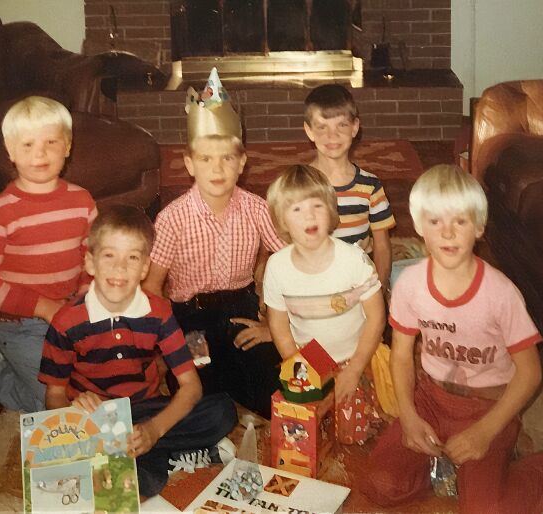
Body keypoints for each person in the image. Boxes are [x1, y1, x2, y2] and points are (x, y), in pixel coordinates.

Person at [361, 165, 543, 513]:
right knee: (380, 483)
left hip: (488, 406)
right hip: (431, 396)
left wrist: (485, 432)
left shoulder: (501, 294)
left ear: (478, 227)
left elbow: (530, 373)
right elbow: (401, 357)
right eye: (435, 221)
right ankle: (445, 469)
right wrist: (409, 415)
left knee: (484, 508)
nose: (447, 233)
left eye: (459, 221)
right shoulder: (410, 284)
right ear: (418, 227)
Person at [39, 205, 237, 498]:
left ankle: (143, 453)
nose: (120, 268)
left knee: (222, 411)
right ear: (90, 263)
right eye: (109, 255)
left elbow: (190, 387)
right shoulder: (66, 322)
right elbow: (53, 397)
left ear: (145, 268)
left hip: (144, 410)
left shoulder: (159, 312)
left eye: (132, 258)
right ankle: (164, 456)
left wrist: (154, 430)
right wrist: (73, 406)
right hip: (95, 420)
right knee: (147, 480)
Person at [142, 68, 285, 419]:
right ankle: (218, 381)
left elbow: (290, 261)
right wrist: (163, 345)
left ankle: (238, 375)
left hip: (240, 312)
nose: (217, 168)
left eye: (227, 158)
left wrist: (274, 328)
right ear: (190, 164)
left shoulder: (256, 208)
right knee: (203, 402)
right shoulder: (172, 218)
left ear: (242, 163)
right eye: (206, 159)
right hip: (191, 320)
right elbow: (152, 286)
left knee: (276, 396)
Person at [0, 96, 97, 412]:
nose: (40, 153)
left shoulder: (82, 200)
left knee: (99, 386)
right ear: (10, 152)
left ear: (67, 146)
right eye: (27, 145)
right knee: (57, 404)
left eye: (51, 141)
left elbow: (91, 257)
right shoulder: (0, 212)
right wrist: (44, 307)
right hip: (21, 324)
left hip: (70, 313)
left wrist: (81, 298)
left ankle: (18, 366)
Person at [263, 164, 386, 443]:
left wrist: (354, 369)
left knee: (350, 434)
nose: (309, 215)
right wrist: (297, 367)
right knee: (299, 434)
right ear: (281, 221)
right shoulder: (277, 267)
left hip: (355, 355)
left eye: (317, 205)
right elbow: (279, 326)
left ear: (331, 211)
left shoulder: (353, 260)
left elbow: (377, 318)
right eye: (296, 209)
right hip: (308, 361)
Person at [303, 84, 395, 293]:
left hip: (358, 282)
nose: (332, 136)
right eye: (322, 127)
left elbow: (381, 246)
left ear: (355, 128)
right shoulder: (300, 185)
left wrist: (377, 290)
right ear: (309, 131)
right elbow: (286, 242)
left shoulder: (370, 185)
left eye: (341, 126)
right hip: (313, 282)